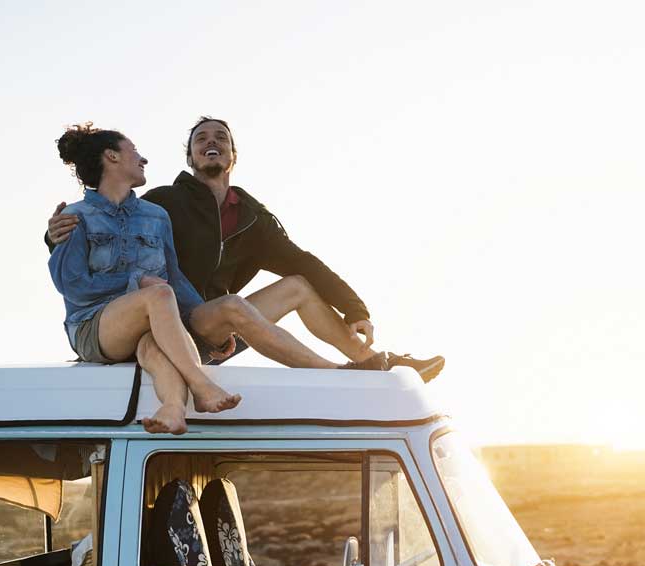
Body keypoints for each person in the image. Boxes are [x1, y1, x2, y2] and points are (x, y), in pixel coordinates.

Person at [47, 117, 445, 381]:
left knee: (298, 285)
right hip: (173, 321)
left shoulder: (253, 219)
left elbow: (304, 262)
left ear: (233, 155)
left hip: (218, 326)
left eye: (221, 137)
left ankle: (373, 364)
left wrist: (355, 308)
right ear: (190, 157)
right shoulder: (163, 202)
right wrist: (53, 235)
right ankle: (340, 377)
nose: (211, 142)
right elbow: (109, 219)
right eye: (201, 139)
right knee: (234, 305)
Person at [48, 123, 241, 435]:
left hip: (145, 323)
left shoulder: (155, 216)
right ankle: (201, 385)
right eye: (134, 151)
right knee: (158, 294)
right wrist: (137, 281)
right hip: (92, 326)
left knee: (153, 344)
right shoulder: (76, 216)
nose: (143, 159)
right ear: (111, 157)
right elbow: (74, 287)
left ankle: (173, 409)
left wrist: (205, 327)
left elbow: (175, 278)